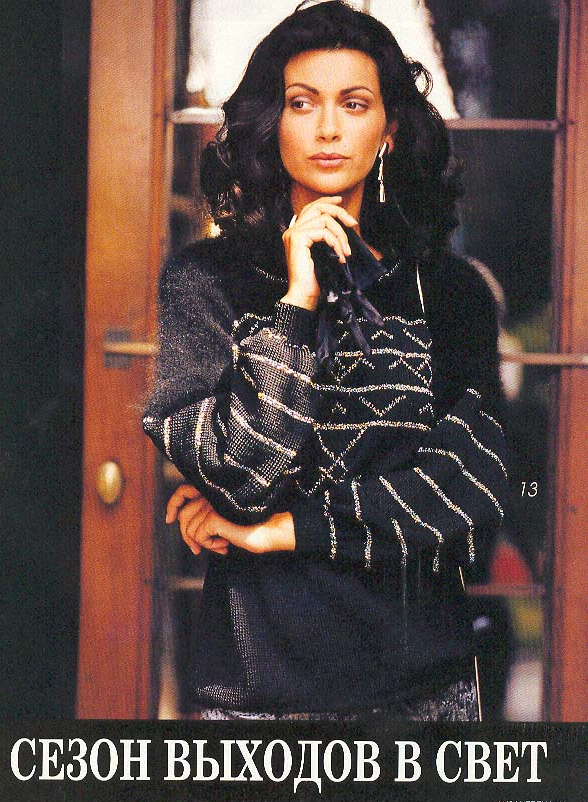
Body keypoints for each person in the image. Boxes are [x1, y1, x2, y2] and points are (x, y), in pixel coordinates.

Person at [143, 0, 507, 720]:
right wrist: (297, 303)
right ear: (270, 122)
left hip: (422, 698)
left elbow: (467, 501)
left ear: (390, 129)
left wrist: (275, 531)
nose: (329, 129)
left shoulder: (451, 292)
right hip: (254, 702)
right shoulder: (205, 283)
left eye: (355, 103)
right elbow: (242, 474)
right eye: (303, 103)